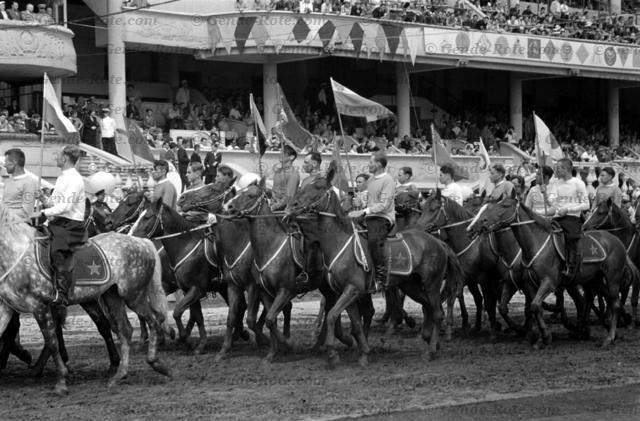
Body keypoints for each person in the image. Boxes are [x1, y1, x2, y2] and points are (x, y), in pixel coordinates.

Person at [32, 145, 87, 306]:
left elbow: (65, 207)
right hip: (59, 221)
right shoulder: (61, 177)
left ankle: (62, 294)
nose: (55, 157)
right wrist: (43, 199)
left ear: (65, 158)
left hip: (72, 224)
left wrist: (42, 213)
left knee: (57, 249)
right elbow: (54, 203)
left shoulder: (75, 179)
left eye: (58, 155)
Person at [348, 151, 395, 291]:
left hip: (383, 217)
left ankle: (381, 277)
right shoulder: (371, 180)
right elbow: (368, 202)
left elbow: (384, 204)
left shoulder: (388, 180)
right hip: (369, 215)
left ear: (379, 164)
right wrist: (360, 203)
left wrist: (365, 210)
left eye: (371, 162)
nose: (368, 164)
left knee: (374, 240)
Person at [547, 158, 589, 280]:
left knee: (571, 238)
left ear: (566, 169)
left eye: (558, 168)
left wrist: (568, 209)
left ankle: (571, 267)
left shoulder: (578, 183)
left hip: (572, 218)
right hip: (556, 217)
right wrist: (546, 196)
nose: (556, 170)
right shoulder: (556, 183)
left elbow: (586, 205)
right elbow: (552, 202)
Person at [2, 149, 37, 222]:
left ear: (14, 163)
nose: (4, 165)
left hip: (19, 227)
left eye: (6, 162)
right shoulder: (8, 181)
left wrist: (3, 213)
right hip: (4, 224)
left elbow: (26, 212)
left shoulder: (29, 183)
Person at [270, 145, 300, 211]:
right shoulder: (278, 171)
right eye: (280, 152)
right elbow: (275, 191)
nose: (280, 154)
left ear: (291, 157)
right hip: (272, 205)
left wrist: (274, 207)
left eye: (283, 153)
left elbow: (288, 197)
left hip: (282, 210)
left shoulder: (293, 174)